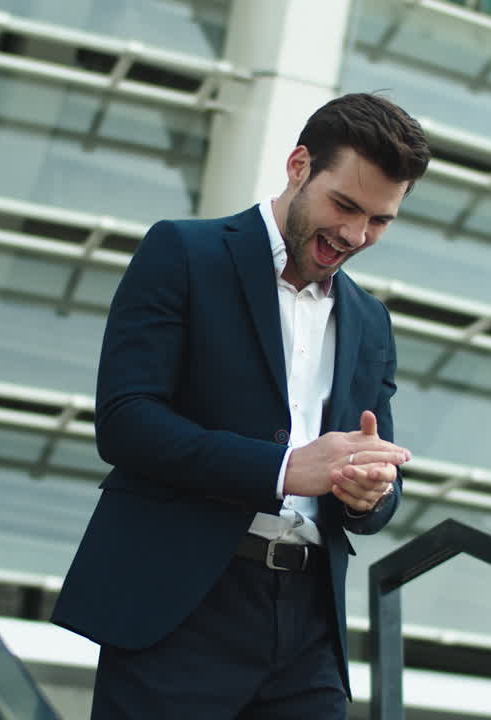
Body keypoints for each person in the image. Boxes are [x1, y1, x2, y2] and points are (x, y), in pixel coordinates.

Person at [52, 92, 431, 719]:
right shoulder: (182, 253)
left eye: (380, 220)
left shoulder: (372, 322)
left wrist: (371, 492)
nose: (355, 235)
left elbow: (376, 478)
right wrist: (283, 469)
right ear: (299, 165)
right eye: (345, 205)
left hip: (309, 626)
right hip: (180, 608)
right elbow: (125, 421)